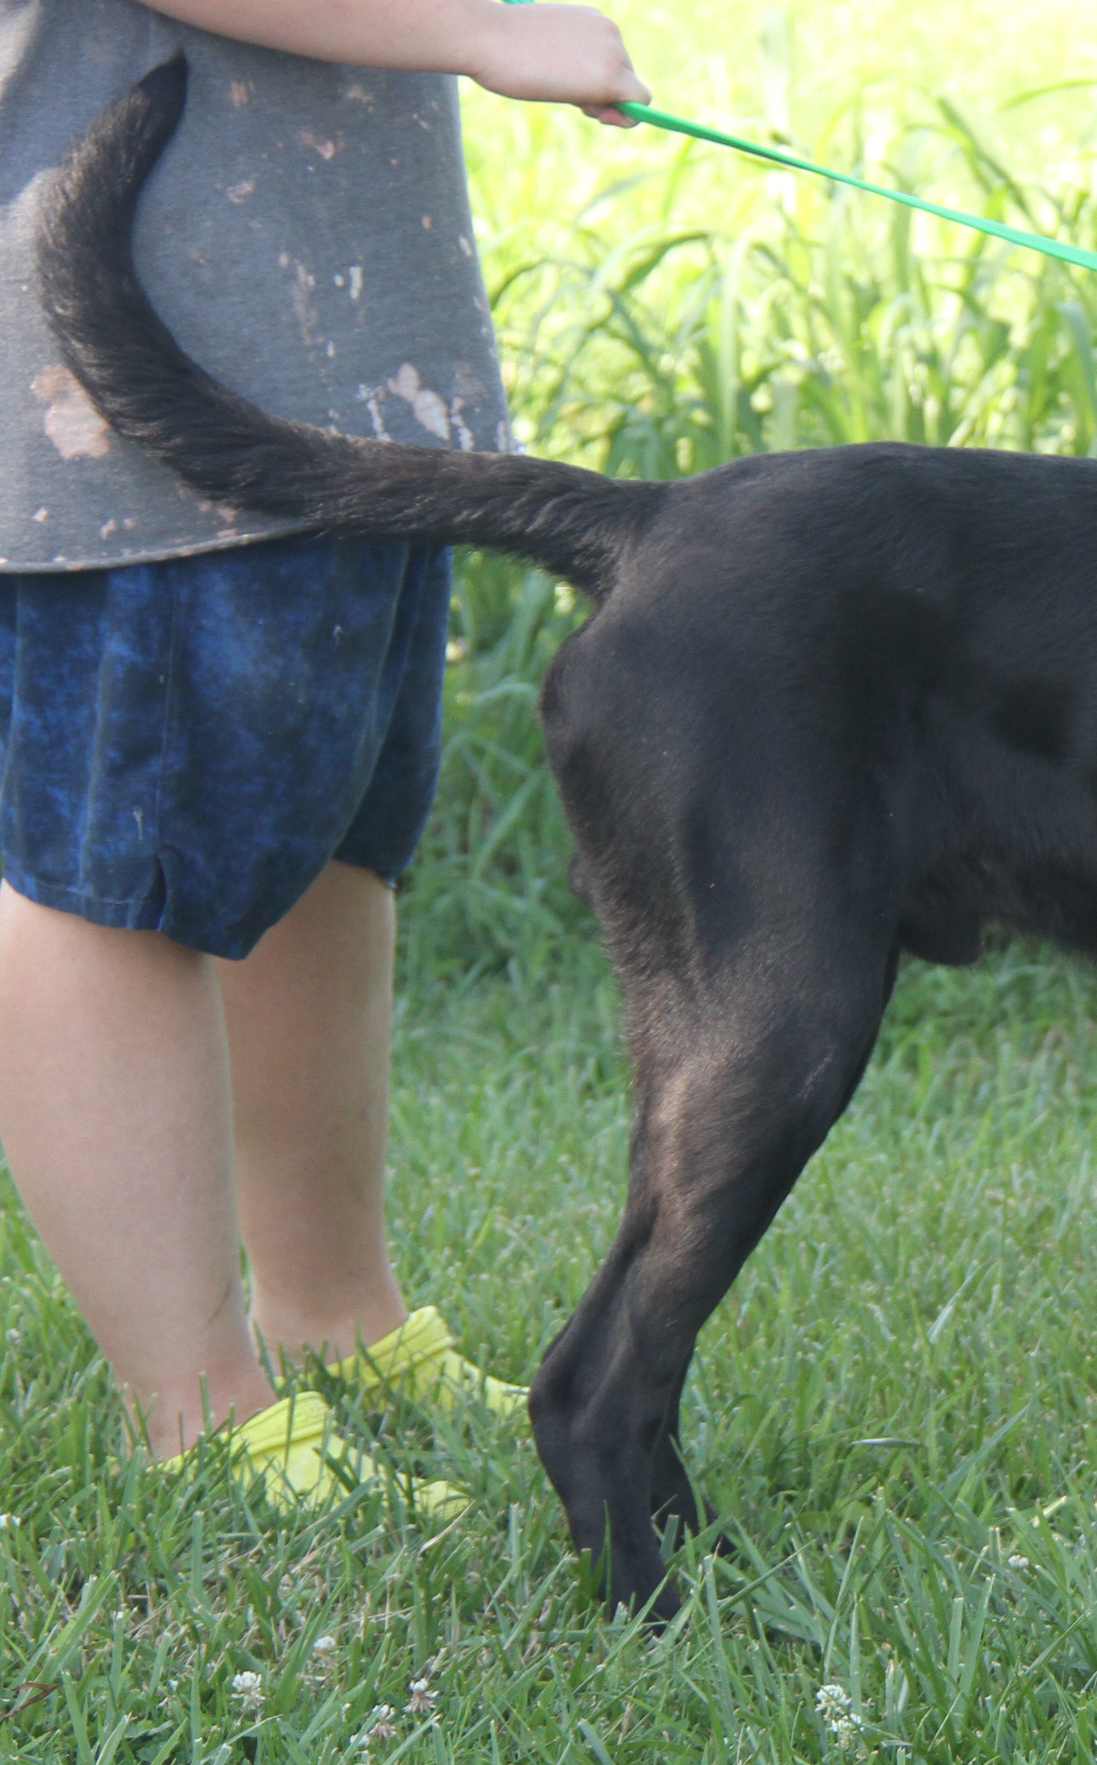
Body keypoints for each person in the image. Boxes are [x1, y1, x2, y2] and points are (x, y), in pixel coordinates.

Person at [0, 0, 649, 1514]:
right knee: (117, 880)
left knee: (328, 837)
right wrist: (483, 32)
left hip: (337, 371)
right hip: (126, 377)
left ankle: (333, 1312)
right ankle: (199, 1410)